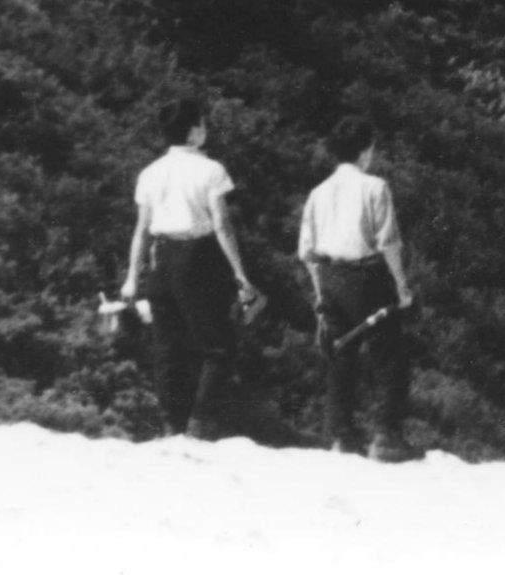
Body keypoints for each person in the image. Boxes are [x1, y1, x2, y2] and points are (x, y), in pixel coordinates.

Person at [122, 97, 265, 439]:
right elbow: (222, 225)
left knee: (167, 349)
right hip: (198, 258)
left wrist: (131, 277)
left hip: (161, 258)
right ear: (192, 132)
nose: (206, 129)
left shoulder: (150, 172)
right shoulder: (210, 170)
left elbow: (141, 229)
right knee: (219, 346)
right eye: (202, 123)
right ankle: (201, 422)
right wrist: (240, 273)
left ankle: (172, 424)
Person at [299, 114, 418, 462]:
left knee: (340, 356)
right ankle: (386, 436)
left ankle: (341, 436)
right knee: (390, 357)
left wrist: (320, 292)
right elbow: (388, 242)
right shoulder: (375, 187)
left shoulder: (318, 193)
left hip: (331, 277)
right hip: (368, 277)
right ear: (365, 152)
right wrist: (401, 285)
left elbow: (306, 250)